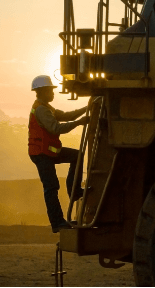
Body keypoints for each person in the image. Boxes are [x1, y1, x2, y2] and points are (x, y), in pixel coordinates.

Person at [28, 75, 89, 233]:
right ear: (43, 92)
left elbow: (66, 116)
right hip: (41, 153)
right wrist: (80, 122)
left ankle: (74, 190)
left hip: (48, 151)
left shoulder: (47, 107)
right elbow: (56, 128)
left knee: (78, 155)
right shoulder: (42, 110)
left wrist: (87, 109)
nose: (53, 93)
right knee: (51, 187)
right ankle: (57, 222)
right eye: (51, 90)